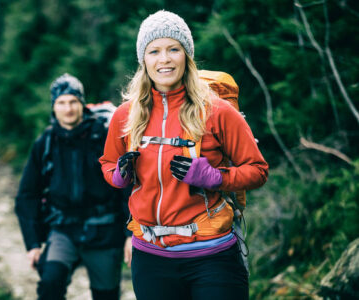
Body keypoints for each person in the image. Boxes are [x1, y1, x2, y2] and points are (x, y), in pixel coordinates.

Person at [99, 10, 269, 300]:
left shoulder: (217, 112)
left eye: (173, 49)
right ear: (144, 60)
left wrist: (215, 177)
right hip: (151, 258)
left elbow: (257, 170)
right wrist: (118, 175)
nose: (164, 59)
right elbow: (108, 164)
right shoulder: (125, 116)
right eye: (154, 51)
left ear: (186, 56)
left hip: (212, 255)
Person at [15, 73, 130, 300]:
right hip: (63, 230)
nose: (68, 108)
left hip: (104, 230)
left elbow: (127, 187)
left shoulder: (104, 136)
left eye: (73, 102)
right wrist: (33, 243)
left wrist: (130, 233)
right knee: (50, 284)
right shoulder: (46, 143)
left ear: (82, 104)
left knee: (106, 295)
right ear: (53, 107)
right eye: (61, 103)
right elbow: (27, 195)